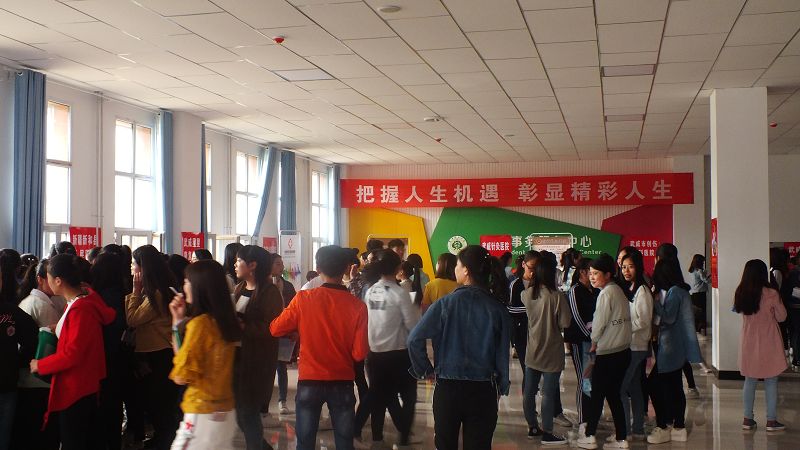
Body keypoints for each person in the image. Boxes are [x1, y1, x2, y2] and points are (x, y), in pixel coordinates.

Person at [407, 245, 511, 450]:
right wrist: (501, 386)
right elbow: (502, 354)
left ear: (466, 271)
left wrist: (426, 370)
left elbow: (414, 339)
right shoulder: (497, 308)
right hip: (483, 390)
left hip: (447, 389)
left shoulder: (444, 304)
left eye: (458, 265)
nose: (455, 269)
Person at [270, 245, 369, 450]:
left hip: (310, 379)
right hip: (342, 381)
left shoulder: (303, 299)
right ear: (346, 269)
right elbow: (359, 353)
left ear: (318, 268)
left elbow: (275, 329)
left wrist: (299, 329)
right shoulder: (358, 307)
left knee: (305, 443)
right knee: (345, 443)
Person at [30, 254, 116, 450]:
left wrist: (40, 365)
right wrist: (59, 328)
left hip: (76, 387)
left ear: (58, 281)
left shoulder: (81, 309)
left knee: (74, 441)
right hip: (83, 383)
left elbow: (73, 354)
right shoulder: (79, 301)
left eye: (49, 277)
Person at [168, 260, 242, 449]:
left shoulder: (200, 325)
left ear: (199, 286)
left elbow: (181, 376)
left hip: (202, 412)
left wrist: (177, 325)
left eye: (187, 281)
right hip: (226, 410)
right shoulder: (225, 322)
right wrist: (177, 325)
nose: (184, 286)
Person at [126, 245, 181, 450]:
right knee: (157, 401)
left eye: (134, 264)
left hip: (159, 353)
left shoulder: (156, 293)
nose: (132, 268)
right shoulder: (159, 289)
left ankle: (164, 441)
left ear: (144, 268)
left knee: (160, 403)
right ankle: (162, 438)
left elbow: (133, 319)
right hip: (156, 351)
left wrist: (134, 292)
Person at [362, 249, 419, 445]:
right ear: (398, 267)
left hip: (374, 353)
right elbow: (412, 326)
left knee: (379, 395)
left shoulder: (370, 291)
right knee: (408, 396)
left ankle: (377, 436)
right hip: (398, 354)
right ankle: (403, 436)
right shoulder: (399, 293)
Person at [577, 254, 631, 450]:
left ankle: (590, 435)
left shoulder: (606, 294)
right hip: (622, 351)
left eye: (596, 273)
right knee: (613, 395)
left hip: (608, 354)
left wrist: (593, 341)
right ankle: (621, 438)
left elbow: (599, 323)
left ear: (608, 274)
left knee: (598, 395)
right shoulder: (618, 290)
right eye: (590, 273)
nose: (592, 277)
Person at [646, 257, 702, 445]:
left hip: (671, 347)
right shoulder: (681, 291)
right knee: (674, 386)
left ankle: (665, 424)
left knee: (655, 384)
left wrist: (655, 303)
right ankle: (677, 426)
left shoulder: (674, 292)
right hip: (677, 347)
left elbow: (668, 318)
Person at [232, 245, 283, 450]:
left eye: (239, 261)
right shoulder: (240, 288)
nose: (235, 265)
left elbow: (272, 328)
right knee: (241, 414)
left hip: (256, 362)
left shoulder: (270, 292)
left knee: (248, 413)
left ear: (252, 265)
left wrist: (244, 326)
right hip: (238, 359)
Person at [521, 257, 571, 445]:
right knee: (548, 394)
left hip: (532, 350)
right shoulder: (557, 297)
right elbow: (565, 323)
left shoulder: (527, 294)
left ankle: (533, 427)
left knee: (529, 392)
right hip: (552, 351)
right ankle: (548, 432)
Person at [13, 259, 61, 450]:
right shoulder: (38, 305)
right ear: (40, 279)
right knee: (38, 434)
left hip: (35, 378)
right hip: (37, 379)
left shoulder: (40, 301)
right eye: (51, 277)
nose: (56, 281)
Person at [735, 259, 788, 432]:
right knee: (771, 380)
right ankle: (771, 421)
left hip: (748, 340)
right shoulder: (771, 293)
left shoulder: (741, 292)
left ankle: (747, 419)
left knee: (749, 380)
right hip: (769, 340)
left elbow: (739, 310)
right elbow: (782, 317)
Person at [91, 253, 129, 450]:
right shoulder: (122, 291)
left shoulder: (102, 297)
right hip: (118, 357)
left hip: (105, 358)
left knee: (105, 408)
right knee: (113, 407)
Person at [1, 266, 38, 450]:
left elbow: (32, 337)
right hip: (7, 382)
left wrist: (16, 361)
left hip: (7, 384)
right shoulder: (11, 311)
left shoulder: (11, 312)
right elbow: (31, 338)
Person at [619, 250, 653, 440]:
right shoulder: (630, 288)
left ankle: (624, 431)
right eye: (624, 267)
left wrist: (622, 327)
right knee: (634, 388)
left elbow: (644, 321)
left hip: (636, 346)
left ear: (638, 267)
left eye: (630, 267)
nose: (626, 271)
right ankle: (638, 429)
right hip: (630, 345)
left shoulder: (642, 291)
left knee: (621, 389)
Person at [564, 258, 597, 428]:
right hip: (581, 341)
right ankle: (584, 419)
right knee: (584, 380)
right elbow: (576, 317)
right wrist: (589, 336)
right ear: (583, 272)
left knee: (592, 380)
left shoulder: (594, 290)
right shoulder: (575, 290)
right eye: (591, 272)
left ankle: (593, 417)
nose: (593, 276)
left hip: (594, 341)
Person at [508, 251, 538, 390]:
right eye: (531, 267)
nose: (533, 271)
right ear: (523, 264)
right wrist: (530, 309)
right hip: (521, 332)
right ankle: (529, 399)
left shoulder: (541, 284)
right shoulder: (515, 284)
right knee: (527, 369)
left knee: (538, 370)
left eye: (537, 267)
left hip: (539, 332)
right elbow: (510, 309)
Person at [271, 253, 297, 415]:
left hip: (284, 332)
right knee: (267, 368)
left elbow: (294, 309)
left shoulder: (287, 286)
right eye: (277, 263)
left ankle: (282, 400)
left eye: (281, 263)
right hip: (268, 331)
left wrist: (295, 329)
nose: (281, 266)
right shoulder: (264, 285)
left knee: (281, 367)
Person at [688, 254, 710, 336]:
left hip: (693, 293)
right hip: (700, 293)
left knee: (696, 312)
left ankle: (696, 329)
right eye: (703, 262)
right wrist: (708, 273)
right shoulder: (699, 271)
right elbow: (706, 280)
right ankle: (700, 328)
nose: (703, 263)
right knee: (702, 311)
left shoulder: (691, 270)